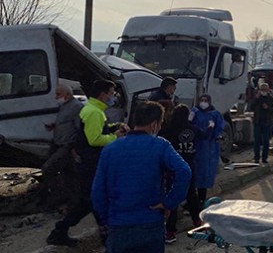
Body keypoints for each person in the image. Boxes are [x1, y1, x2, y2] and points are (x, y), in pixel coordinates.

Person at [92, 101, 191, 253]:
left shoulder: (110, 149)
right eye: (160, 124)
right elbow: (184, 171)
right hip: (150, 223)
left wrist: (107, 218)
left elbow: (97, 192)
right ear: (154, 125)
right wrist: (168, 203)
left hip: (118, 225)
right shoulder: (160, 146)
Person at [47, 80, 129, 247]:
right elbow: (94, 139)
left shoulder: (94, 109)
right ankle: (60, 231)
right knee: (90, 202)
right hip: (91, 163)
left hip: (90, 162)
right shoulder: (94, 112)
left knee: (94, 200)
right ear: (103, 94)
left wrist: (114, 127)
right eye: (112, 93)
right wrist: (116, 137)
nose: (114, 97)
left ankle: (106, 236)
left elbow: (96, 130)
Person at [162, 104, 204, 244]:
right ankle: (197, 221)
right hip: (189, 165)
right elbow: (203, 134)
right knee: (191, 194)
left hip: (173, 166)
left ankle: (170, 231)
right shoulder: (192, 128)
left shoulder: (169, 130)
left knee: (172, 196)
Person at [40, 84, 84, 207]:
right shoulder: (64, 106)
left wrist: (75, 148)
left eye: (58, 94)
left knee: (48, 168)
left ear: (68, 94)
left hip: (67, 145)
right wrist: (55, 126)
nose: (56, 97)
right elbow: (66, 123)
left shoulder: (76, 107)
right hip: (59, 143)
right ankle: (73, 200)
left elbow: (78, 128)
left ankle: (59, 196)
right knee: (68, 173)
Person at [191, 94, 225, 205]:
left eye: (206, 100)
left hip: (209, 147)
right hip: (196, 145)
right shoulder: (195, 112)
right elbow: (189, 125)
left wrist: (217, 135)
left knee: (205, 172)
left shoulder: (214, 114)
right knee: (194, 171)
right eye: (202, 100)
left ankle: (201, 199)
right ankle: (193, 199)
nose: (203, 103)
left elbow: (219, 129)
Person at [249, 83, 273, 163]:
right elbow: (251, 107)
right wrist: (256, 98)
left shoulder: (272, 98)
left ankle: (264, 157)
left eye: (265, 90)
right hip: (257, 122)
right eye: (262, 90)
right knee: (257, 141)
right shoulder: (257, 98)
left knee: (266, 141)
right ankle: (256, 157)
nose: (263, 91)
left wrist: (267, 108)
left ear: (268, 90)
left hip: (267, 122)